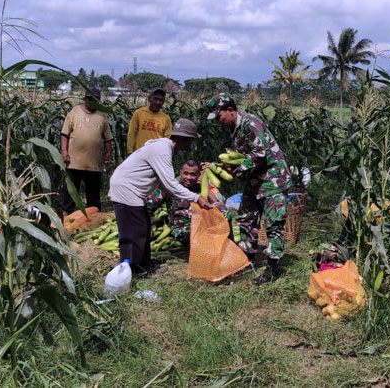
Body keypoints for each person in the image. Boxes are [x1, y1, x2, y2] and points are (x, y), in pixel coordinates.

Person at [206, 93, 291, 284]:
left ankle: (272, 267)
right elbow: (238, 155)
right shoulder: (233, 129)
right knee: (246, 218)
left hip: (272, 181)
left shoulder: (251, 124)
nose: (218, 122)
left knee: (274, 223)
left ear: (230, 110)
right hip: (253, 181)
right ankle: (247, 260)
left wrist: (237, 170)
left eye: (218, 116)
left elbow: (260, 155)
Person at [109, 119, 211, 275]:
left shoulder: (163, 148)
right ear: (182, 139)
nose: (189, 146)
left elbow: (164, 184)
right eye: (189, 141)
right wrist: (196, 198)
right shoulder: (163, 149)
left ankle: (144, 266)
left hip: (133, 191)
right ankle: (133, 272)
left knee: (143, 228)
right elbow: (170, 184)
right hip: (126, 190)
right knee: (134, 232)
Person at [146, 159, 229, 245]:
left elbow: (217, 204)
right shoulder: (171, 187)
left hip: (203, 224)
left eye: (193, 174)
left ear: (198, 174)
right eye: (186, 173)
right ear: (180, 172)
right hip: (182, 229)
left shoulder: (200, 185)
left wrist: (204, 186)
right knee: (199, 235)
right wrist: (147, 226)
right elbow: (149, 206)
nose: (188, 178)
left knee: (225, 214)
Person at [60, 88, 113, 214]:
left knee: (93, 191)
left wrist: (109, 152)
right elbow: (64, 134)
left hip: (94, 162)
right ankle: (68, 212)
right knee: (71, 188)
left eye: (95, 100)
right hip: (74, 161)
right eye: (90, 99)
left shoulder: (102, 115)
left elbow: (108, 137)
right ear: (85, 99)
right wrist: (64, 151)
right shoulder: (74, 112)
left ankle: (93, 213)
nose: (92, 102)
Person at [127, 87, 172, 155]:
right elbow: (132, 133)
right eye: (155, 99)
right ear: (149, 99)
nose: (158, 102)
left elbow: (166, 140)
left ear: (163, 102)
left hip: (156, 156)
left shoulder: (166, 118)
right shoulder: (139, 113)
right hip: (139, 153)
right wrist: (130, 151)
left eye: (161, 100)